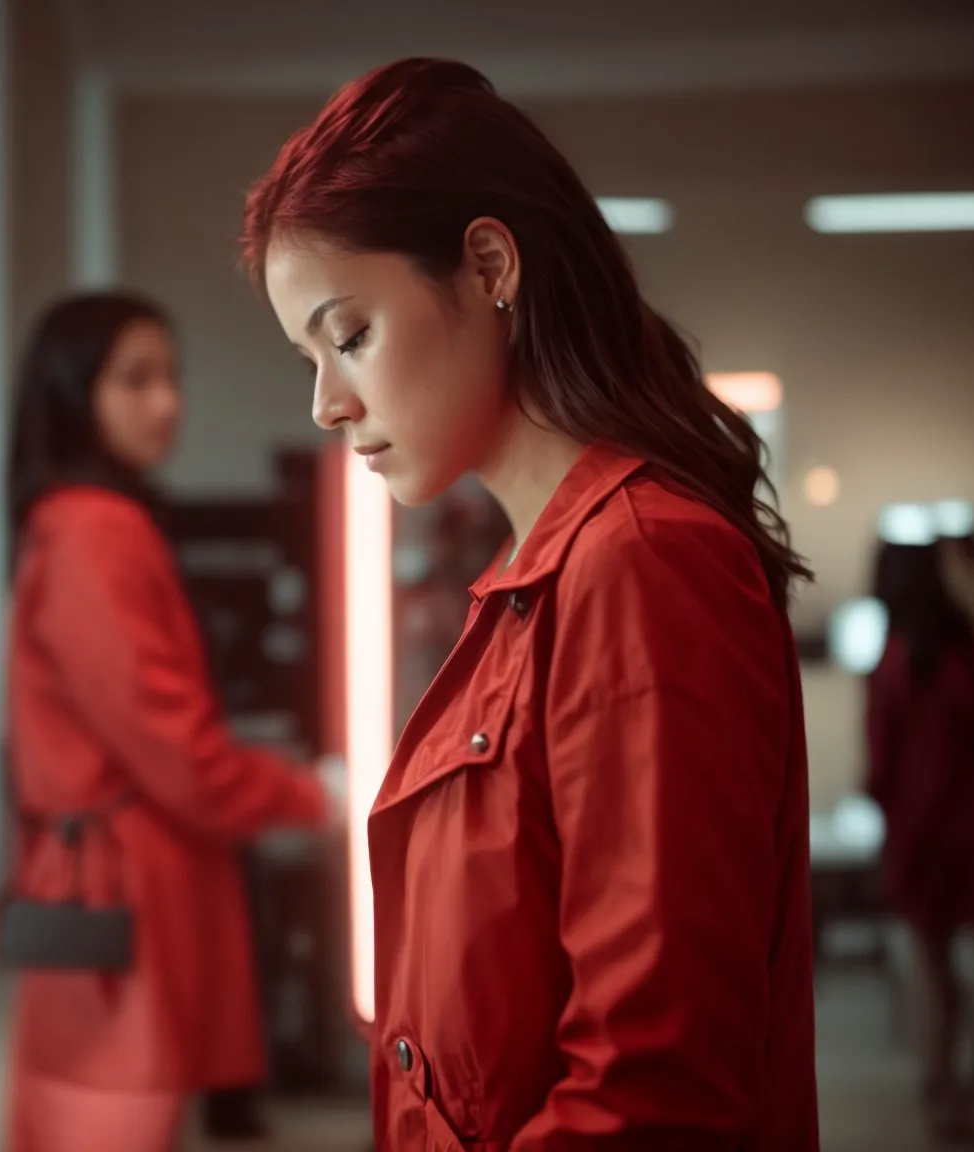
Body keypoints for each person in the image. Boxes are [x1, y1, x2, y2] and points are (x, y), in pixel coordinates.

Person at [239, 58, 819, 1149]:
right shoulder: (538, 577)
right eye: (306, 356)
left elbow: (655, 1090)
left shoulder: (639, 564)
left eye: (348, 334)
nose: (325, 403)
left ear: (488, 265)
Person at [0, 292, 328, 1152]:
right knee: (115, 1112)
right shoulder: (94, 531)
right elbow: (171, 746)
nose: (167, 404)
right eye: (135, 380)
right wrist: (307, 796)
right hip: (124, 891)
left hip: (105, 877)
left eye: (171, 378)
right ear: (75, 393)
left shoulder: (76, 524)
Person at [865, 531, 974, 1140]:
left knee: (935, 969)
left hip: (922, 834)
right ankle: (973, 1077)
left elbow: (881, 766)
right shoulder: (969, 655)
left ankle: (942, 1086)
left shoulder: (892, 663)